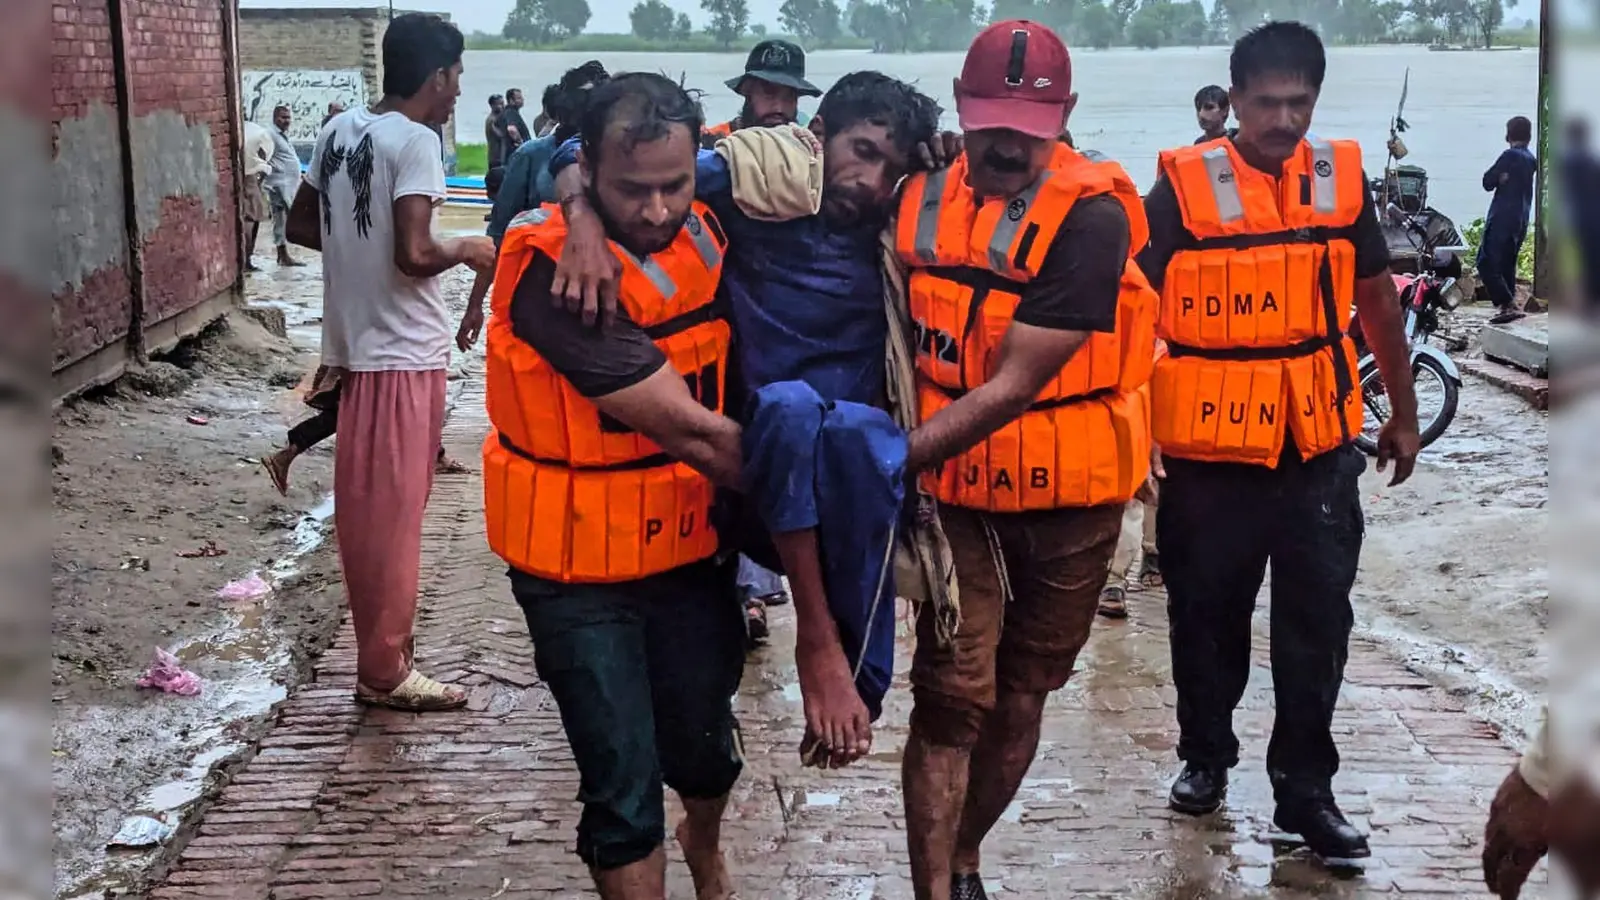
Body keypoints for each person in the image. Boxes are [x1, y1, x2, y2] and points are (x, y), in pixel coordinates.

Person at [547, 71, 949, 771]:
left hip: (855, 467)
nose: (870, 178)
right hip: (761, 464)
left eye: (891, 164)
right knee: (794, 409)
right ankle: (815, 641)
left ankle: (850, 693)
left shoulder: (897, 221)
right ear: (817, 138)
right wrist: (579, 219)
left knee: (859, 437)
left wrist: (950, 155)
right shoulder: (756, 187)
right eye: (861, 150)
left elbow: (1006, 196)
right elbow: (601, 165)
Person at [1136, 21, 1420, 868]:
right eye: (1268, 102)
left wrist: (1401, 414)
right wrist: (1133, 433)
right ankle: (1206, 755)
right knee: (1206, 617)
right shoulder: (1181, 189)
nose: (1284, 119)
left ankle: (1306, 793)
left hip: (1318, 445)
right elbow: (1129, 310)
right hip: (1210, 451)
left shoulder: (1340, 181)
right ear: (1235, 101)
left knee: (1317, 623)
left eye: (1300, 102)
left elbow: (1376, 303)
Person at [887, 22, 1158, 900]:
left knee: (1022, 696)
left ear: (1065, 115)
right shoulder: (916, 185)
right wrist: (578, 197)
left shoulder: (1095, 216)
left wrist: (884, 462)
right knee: (954, 692)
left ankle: (965, 855)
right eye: (986, 119)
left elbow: (1013, 385)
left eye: (1026, 124)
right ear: (960, 109)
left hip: (1069, 495)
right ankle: (937, 888)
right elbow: (762, 176)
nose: (1004, 142)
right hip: (953, 495)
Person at [484, 71, 745, 900]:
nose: (661, 209)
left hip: (685, 549)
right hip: (575, 570)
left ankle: (703, 842)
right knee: (622, 785)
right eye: (633, 191)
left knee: (704, 751)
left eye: (675, 184)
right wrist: (839, 495)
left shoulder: (707, 218)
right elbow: (692, 430)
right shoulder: (553, 279)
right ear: (591, 170)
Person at [283, 12, 496, 711]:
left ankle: (381, 659)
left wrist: (354, 262)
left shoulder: (340, 130)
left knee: (366, 518)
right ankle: (387, 671)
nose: (459, 91)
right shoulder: (418, 142)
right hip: (404, 355)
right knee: (399, 519)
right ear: (437, 76)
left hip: (352, 348)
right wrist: (467, 249)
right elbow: (414, 252)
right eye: (458, 76)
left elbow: (301, 225)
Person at [455, 61, 611, 355]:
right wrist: (475, 306)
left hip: (603, 305)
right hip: (538, 301)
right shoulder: (532, 156)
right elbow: (499, 237)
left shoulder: (614, 156)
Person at [702, 39, 821, 146]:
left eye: (788, 97)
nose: (778, 109)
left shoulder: (809, 148)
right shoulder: (714, 144)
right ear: (747, 92)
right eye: (769, 94)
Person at [1480, 115, 1538, 324]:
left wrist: (1498, 178)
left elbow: (1487, 181)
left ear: (1508, 135)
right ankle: (1508, 306)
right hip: (1521, 217)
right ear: (1529, 136)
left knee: (1485, 261)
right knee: (1507, 263)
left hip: (1502, 215)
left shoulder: (1509, 156)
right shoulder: (1531, 159)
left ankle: (1507, 302)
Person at [264, 105, 307, 268]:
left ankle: (283, 255)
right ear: (275, 117)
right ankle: (286, 253)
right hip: (280, 184)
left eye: (288, 117)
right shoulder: (270, 135)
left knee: (280, 221)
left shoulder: (281, 136)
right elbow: (264, 155)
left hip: (287, 183)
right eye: (283, 117)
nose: (286, 121)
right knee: (293, 216)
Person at [241, 118, 274, 271]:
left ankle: (246, 258)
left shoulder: (247, 132)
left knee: (251, 217)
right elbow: (264, 156)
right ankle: (246, 259)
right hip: (250, 179)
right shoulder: (256, 133)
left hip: (248, 177)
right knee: (251, 218)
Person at [484, 93, 507, 168]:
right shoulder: (492, 120)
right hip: (496, 158)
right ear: (492, 105)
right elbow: (501, 136)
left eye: (503, 103)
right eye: (499, 104)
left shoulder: (500, 118)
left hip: (501, 157)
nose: (503, 106)